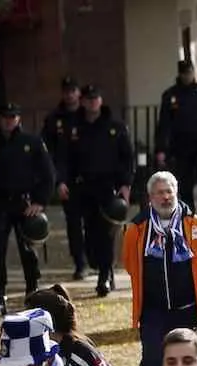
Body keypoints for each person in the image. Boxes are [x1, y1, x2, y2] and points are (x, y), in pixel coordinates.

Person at [123, 171, 197, 366]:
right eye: (159, 193)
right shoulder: (137, 229)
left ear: (176, 193)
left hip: (190, 310)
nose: (165, 197)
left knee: (193, 362)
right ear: (150, 197)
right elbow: (130, 264)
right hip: (153, 312)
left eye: (169, 191)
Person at [0, 102, 54, 317]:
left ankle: (32, 293)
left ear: (18, 119)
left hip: (24, 205)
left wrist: (40, 202)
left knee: (29, 252)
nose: (8, 121)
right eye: (5, 117)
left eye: (12, 117)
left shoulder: (32, 142)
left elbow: (48, 174)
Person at [65, 85, 136, 297]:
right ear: (83, 101)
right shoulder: (75, 127)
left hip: (108, 187)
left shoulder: (115, 127)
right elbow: (65, 158)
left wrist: (125, 185)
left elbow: (127, 158)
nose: (92, 102)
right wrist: (63, 182)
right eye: (88, 99)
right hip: (84, 187)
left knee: (106, 233)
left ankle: (104, 276)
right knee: (89, 234)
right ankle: (100, 267)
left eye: (96, 98)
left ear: (101, 100)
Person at [157, 60, 197, 217]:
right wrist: (162, 148)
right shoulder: (171, 95)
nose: (187, 76)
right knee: (185, 185)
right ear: (180, 74)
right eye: (184, 73)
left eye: (189, 73)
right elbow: (164, 124)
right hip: (181, 147)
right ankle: (190, 215)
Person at [42, 78, 86, 280]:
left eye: (73, 90)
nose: (70, 95)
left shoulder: (88, 115)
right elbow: (48, 154)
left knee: (94, 223)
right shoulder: (53, 120)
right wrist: (58, 181)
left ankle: (96, 259)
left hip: (90, 178)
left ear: (78, 93)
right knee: (74, 224)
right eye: (66, 91)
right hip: (67, 180)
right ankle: (80, 263)